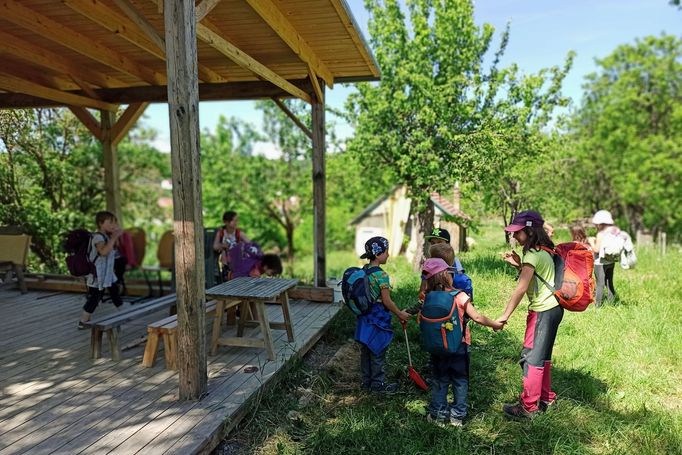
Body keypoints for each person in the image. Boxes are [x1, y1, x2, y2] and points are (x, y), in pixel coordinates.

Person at [421, 258, 503, 427]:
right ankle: (457, 415)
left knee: (439, 380)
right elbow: (478, 317)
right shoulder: (460, 296)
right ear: (446, 275)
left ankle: (438, 414)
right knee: (460, 381)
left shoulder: (427, 297)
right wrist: (495, 324)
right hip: (460, 345)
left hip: (437, 348)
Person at [497, 210, 563, 419]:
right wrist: (519, 264)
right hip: (554, 309)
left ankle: (528, 407)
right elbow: (538, 276)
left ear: (530, 231)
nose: (514, 237)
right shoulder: (545, 251)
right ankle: (546, 398)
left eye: (518, 232)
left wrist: (504, 316)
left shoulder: (533, 254)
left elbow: (521, 288)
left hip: (542, 311)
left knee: (531, 358)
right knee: (543, 357)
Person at [354, 236, 411, 394]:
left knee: (366, 351)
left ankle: (366, 383)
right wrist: (400, 313)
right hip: (378, 319)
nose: (388, 254)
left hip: (364, 318)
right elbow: (387, 301)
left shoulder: (363, 270)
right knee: (378, 351)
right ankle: (378, 385)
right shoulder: (381, 275)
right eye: (386, 251)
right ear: (378, 254)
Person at [78, 211, 124, 329]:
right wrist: (113, 238)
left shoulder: (107, 236)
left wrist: (115, 236)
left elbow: (114, 248)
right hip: (97, 275)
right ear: (100, 223)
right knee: (95, 297)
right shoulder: (97, 237)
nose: (113, 224)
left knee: (114, 292)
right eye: (110, 222)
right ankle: (83, 321)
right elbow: (103, 252)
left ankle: (123, 313)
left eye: (114, 222)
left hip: (107, 273)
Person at [424, 227, 473, 300]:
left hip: (454, 296)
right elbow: (425, 284)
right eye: (432, 243)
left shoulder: (454, 260)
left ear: (448, 244)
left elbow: (460, 280)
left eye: (439, 242)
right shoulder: (430, 262)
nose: (435, 246)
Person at [591, 210, 618, 307]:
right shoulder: (614, 232)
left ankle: (598, 306)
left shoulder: (601, 234)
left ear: (599, 223)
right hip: (611, 261)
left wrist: (591, 242)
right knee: (609, 283)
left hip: (600, 262)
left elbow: (597, 250)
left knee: (600, 284)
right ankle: (612, 303)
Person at [213, 211, 249, 281]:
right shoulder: (221, 233)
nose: (236, 222)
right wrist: (223, 245)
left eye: (237, 220)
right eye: (233, 220)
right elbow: (215, 246)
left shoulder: (239, 233)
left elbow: (250, 244)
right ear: (226, 222)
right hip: (225, 263)